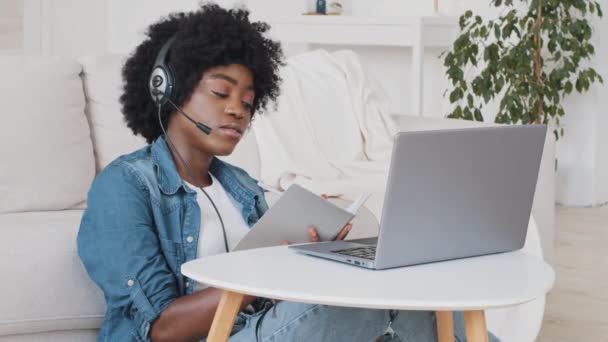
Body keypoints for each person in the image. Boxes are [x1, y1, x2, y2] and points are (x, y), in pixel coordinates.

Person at [77, 3, 499, 341]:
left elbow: (279, 292)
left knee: (426, 307)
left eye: (247, 102)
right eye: (222, 92)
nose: (236, 110)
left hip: (262, 328)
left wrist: (309, 256)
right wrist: (265, 276)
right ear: (166, 88)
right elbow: (163, 329)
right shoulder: (124, 187)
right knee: (348, 306)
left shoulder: (239, 186)